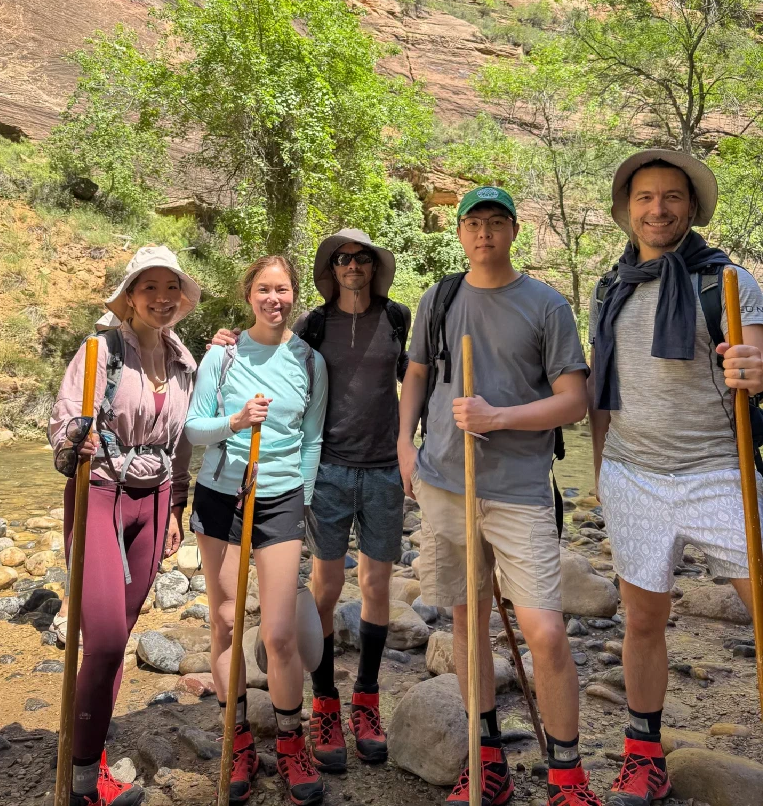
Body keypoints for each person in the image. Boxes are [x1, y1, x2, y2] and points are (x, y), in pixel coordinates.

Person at [398, 186, 601, 806]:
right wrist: (404, 444)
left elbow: (574, 401)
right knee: (467, 622)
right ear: (459, 232)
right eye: (472, 222)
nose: (483, 232)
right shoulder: (439, 298)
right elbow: (417, 375)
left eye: (495, 222)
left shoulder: (546, 305)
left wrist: (499, 417)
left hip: (518, 490)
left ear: (514, 231)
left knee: (543, 630)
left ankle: (567, 775)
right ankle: (487, 762)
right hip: (444, 483)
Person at [588, 150, 763, 806]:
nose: (657, 208)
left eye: (670, 197)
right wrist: (605, 472)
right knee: (642, 619)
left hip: (719, 469)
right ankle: (642, 753)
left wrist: (752, 365)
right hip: (634, 472)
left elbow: (758, 358)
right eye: (644, 197)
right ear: (627, 209)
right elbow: (606, 388)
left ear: (691, 208)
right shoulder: (612, 286)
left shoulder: (727, 282)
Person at [213, 229, 410, 772]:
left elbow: (411, 384)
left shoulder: (397, 318)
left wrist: (414, 448)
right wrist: (226, 346)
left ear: (374, 268)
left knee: (375, 583)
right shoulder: (314, 325)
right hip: (327, 471)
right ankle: (324, 702)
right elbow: (274, 354)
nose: (353, 266)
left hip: (384, 470)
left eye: (363, 258)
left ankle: (366, 699)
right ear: (332, 269)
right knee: (324, 585)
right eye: (343, 258)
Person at [49, 246, 201, 806]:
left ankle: (83, 743)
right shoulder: (100, 351)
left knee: (116, 642)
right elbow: (65, 419)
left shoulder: (184, 359)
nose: (161, 299)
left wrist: (176, 509)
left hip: (155, 500)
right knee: (108, 640)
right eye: (149, 288)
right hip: (100, 494)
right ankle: (85, 782)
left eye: (171, 289)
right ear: (131, 296)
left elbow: (181, 442)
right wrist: (74, 438)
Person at [184, 256, 328, 806]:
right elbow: (194, 429)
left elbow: (312, 437)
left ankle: (292, 742)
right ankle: (238, 737)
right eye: (264, 289)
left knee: (279, 633)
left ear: (294, 295)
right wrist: (236, 423)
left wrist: (303, 496)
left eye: (283, 289)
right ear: (249, 295)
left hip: (281, 499)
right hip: (223, 495)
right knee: (223, 621)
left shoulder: (310, 362)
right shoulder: (220, 356)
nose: (275, 298)